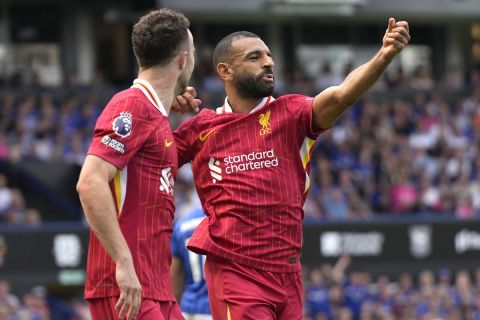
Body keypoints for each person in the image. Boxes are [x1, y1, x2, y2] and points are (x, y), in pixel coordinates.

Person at [173, 18, 410, 319]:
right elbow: (150, 155)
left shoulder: (291, 113)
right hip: (236, 270)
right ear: (225, 71)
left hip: (288, 272)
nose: (268, 63)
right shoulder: (201, 129)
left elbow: (340, 95)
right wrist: (165, 100)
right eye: (254, 57)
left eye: (269, 56)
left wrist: (384, 55)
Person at [76, 8, 197, 320]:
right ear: (183, 59)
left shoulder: (154, 114)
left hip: (158, 288)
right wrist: (123, 263)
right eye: (194, 52)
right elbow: (90, 182)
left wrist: (170, 105)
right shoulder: (132, 105)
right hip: (126, 288)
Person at [171, 208, 212, 320]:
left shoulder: (181, 225)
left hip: (188, 307)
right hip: (216, 308)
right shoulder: (222, 222)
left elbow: (175, 277)